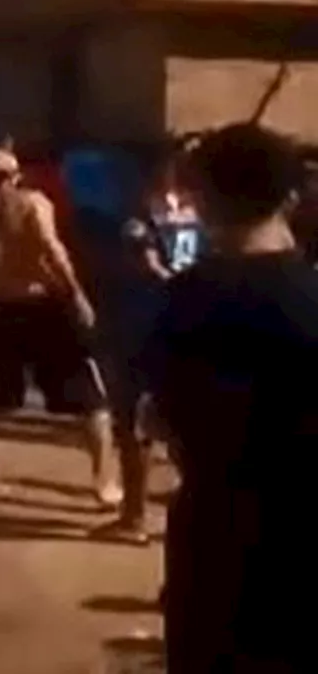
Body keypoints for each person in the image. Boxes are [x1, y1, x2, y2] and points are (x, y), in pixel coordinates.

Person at [143, 122, 318, 672]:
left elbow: (157, 419)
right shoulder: (309, 301)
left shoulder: (176, 302)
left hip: (210, 543)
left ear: (205, 198)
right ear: (293, 197)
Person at [0, 147, 119, 505]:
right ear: (14, 176)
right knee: (91, 400)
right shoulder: (32, 203)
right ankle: (104, 483)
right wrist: (76, 296)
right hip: (42, 306)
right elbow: (52, 249)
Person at [94, 153, 203, 545]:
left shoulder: (140, 218)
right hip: (188, 325)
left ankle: (135, 516)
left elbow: (145, 262)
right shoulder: (201, 214)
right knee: (185, 425)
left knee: (133, 426)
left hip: (142, 328)